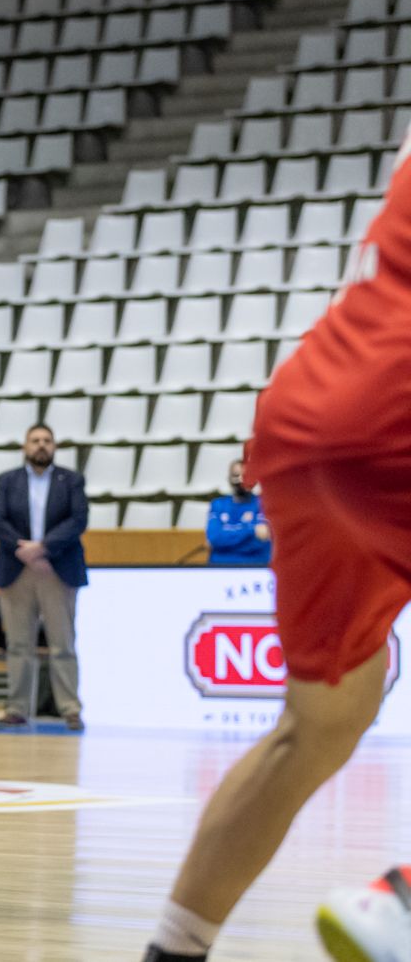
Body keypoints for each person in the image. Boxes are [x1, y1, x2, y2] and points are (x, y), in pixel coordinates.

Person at [141, 132, 411, 962]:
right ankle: (400, 896)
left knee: (319, 723)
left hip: (307, 410)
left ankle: (174, 949)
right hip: (397, 403)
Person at [0, 424, 89, 730]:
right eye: (35, 441)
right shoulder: (8, 481)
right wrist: (25, 550)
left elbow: (78, 520)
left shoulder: (71, 480)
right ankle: (17, 708)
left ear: (54, 446)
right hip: (17, 570)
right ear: (25, 446)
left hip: (57, 569)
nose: (41, 445)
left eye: (47, 441)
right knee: (18, 644)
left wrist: (44, 548)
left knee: (63, 644)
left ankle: (70, 708)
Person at [205, 458, 272, 566]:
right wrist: (251, 530)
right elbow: (215, 538)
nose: (240, 480)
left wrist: (227, 541)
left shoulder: (265, 504)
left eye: (245, 476)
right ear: (229, 479)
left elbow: (260, 543)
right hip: (220, 570)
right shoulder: (218, 505)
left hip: (256, 568)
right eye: (236, 476)